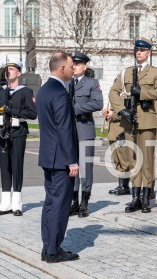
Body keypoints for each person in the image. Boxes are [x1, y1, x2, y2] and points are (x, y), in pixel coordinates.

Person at [109, 37, 157, 213]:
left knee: (147, 161)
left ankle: (145, 198)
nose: (139, 52)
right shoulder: (126, 72)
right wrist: (121, 111)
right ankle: (134, 198)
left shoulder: (155, 72)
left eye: (142, 50)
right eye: (137, 50)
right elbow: (113, 92)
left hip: (147, 122)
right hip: (129, 121)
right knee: (134, 159)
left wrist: (141, 92)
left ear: (148, 53)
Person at [36, 51, 80, 263]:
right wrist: (72, 160)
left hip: (48, 157)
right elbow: (64, 130)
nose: (73, 70)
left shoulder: (44, 90)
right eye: (71, 66)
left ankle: (47, 247)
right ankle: (54, 250)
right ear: (62, 68)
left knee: (50, 202)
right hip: (62, 159)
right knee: (61, 205)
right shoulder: (60, 93)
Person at [0, 58, 37, 216]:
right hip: (2, 133)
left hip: (18, 132)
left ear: (18, 72)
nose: (8, 71)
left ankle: (17, 203)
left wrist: (12, 111)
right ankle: (5, 202)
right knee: (4, 167)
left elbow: (33, 114)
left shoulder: (26, 92)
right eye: (7, 69)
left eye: (12, 69)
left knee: (17, 166)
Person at [68, 51, 104, 218]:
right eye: (73, 64)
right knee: (71, 166)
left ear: (85, 66)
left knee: (85, 169)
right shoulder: (67, 83)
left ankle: (84, 203)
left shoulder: (91, 83)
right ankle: (74, 202)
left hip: (84, 129)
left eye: (78, 64)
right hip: (69, 131)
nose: (74, 67)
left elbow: (98, 103)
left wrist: (75, 109)